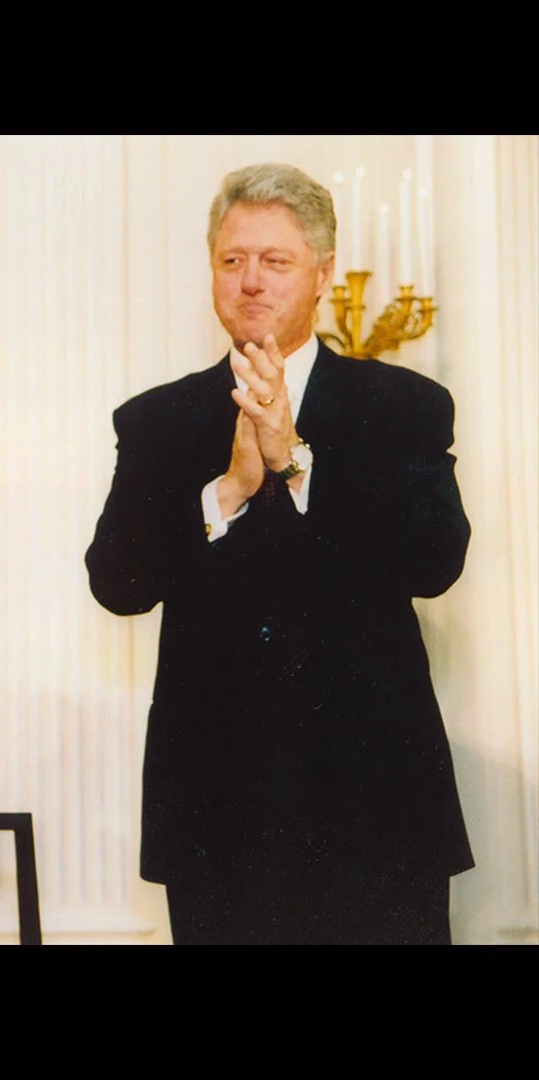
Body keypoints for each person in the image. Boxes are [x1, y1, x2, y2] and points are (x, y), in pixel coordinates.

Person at [86, 163, 472, 945]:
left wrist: (294, 462)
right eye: (233, 261)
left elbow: (435, 561)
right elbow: (117, 584)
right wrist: (225, 493)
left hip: (377, 809)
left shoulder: (400, 406)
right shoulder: (158, 420)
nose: (251, 281)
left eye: (276, 261)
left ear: (324, 273)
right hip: (216, 815)